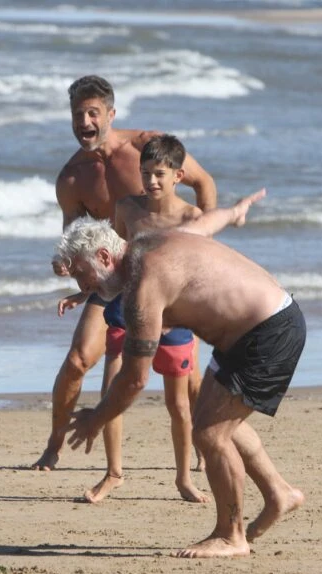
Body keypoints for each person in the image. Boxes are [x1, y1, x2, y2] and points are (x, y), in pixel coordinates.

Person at [56, 190, 306, 559]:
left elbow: (135, 379)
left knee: (209, 432)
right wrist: (234, 212)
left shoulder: (145, 286)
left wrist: (97, 418)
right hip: (253, 329)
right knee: (217, 419)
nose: (82, 286)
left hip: (267, 332)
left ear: (105, 256)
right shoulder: (149, 242)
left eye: (81, 274)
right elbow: (204, 224)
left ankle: (230, 535)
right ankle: (279, 493)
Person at [33, 75, 216, 471]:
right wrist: (68, 265)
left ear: (111, 115)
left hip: (168, 280)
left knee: (188, 380)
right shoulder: (71, 178)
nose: (84, 121)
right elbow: (76, 238)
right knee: (79, 360)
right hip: (115, 279)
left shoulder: (146, 148)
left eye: (92, 112)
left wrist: (203, 251)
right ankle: (54, 443)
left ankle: (205, 446)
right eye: (77, 114)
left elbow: (204, 184)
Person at [65, 134, 210, 504]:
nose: (152, 181)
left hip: (173, 318)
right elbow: (115, 260)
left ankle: (184, 479)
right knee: (112, 389)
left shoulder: (191, 217)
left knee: (177, 404)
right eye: (146, 173)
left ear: (179, 176)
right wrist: (87, 291)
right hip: (128, 309)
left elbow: (201, 271)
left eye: (160, 174)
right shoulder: (128, 209)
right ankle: (113, 474)